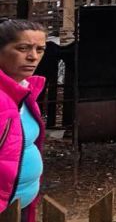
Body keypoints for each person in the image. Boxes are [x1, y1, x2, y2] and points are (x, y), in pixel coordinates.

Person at [0, 19, 47, 221]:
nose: (33, 56)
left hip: (19, 209)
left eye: (40, 49)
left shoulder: (25, 91)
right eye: (23, 48)